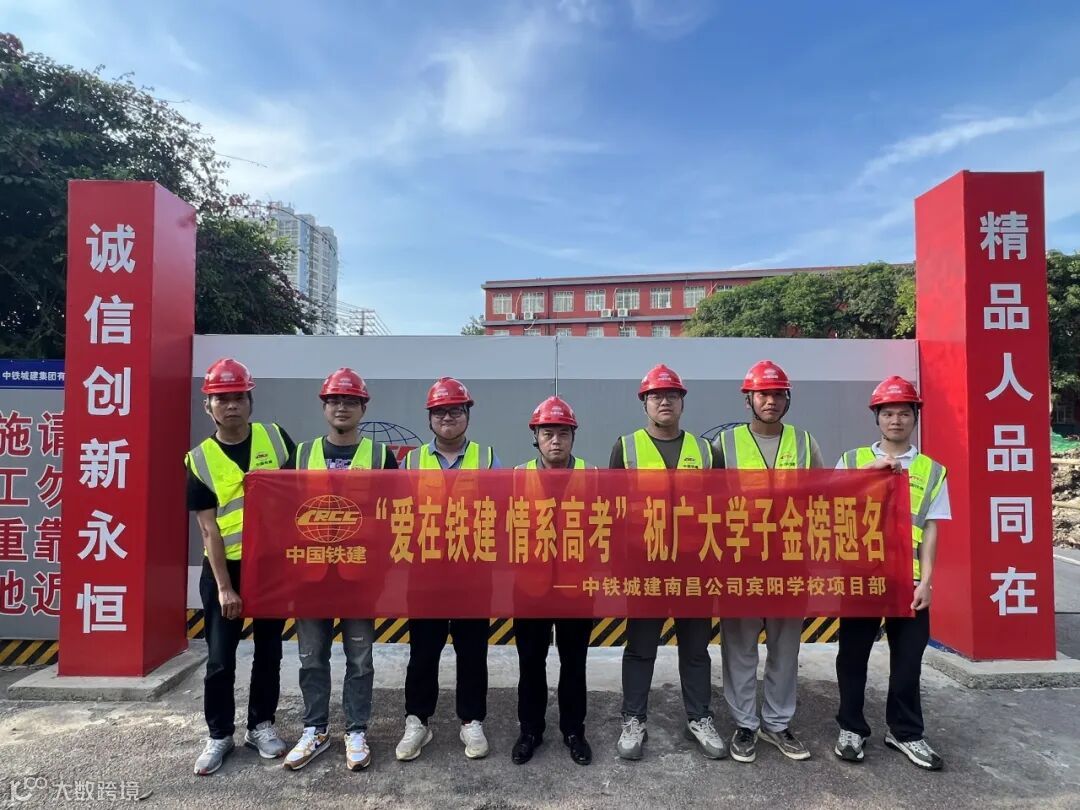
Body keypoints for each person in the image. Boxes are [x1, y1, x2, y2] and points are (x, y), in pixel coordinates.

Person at [282, 368, 398, 772]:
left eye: (350, 401)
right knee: (311, 658)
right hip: (310, 575)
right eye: (334, 400)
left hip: (359, 576)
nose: (342, 407)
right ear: (324, 407)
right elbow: (280, 511)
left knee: (360, 658)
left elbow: (394, 515)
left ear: (363, 407)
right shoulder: (300, 455)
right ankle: (314, 729)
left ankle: (356, 730)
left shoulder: (381, 457)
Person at [610, 364, 727, 761]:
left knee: (695, 649)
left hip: (695, 567)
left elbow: (721, 510)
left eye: (672, 395)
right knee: (640, 648)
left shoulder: (706, 451)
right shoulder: (626, 447)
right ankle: (633, 719)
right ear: (644, 402)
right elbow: (614, 510)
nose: (664, 401)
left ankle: (699, 717)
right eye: (656, 396)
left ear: (682, 402)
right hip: (646, 567)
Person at [834, 376, 949, 771]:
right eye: (888, 413)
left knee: (909, 660)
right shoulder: (852, 461)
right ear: (876, 418)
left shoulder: (932, 471)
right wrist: (871, 470)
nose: (896, 420)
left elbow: (930, 530)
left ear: (915, 417)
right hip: (861, 577)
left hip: (908, 582)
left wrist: (927, 582)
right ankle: (851, 728)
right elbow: (828, 502)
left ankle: (905, 732)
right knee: (852, 656)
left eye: (903, 413)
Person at [186, 358, 294, 776]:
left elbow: (298, 497)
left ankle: (261, 726)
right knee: (220, 658)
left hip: (271, 568)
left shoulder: (276, 439)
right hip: (225, 571)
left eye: (238, 397)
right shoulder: (199, 460)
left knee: (269, 652)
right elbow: (208, 529)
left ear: (250, 401)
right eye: (222, 399)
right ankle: (219, 734)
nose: (231, 405)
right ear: (208, 406)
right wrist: (225, 587)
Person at [715, 359, 823, 763]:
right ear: (749, 399)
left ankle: (777, 724)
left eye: (778, 394)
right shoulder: (724, 445)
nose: (771, 401)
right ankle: (745, 725)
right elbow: (706, 503)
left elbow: (824, 497)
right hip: (740, 562)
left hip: (790, 562)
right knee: (739, 648)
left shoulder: (805, 442)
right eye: (763, 394)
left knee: (785, 648)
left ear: (787, 399)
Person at [395, 377, 502, 761]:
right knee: (423, 652)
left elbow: (502, 511)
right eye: (440, 411)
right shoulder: (410, 462)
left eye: (456, 410)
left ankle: (471, 720)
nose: (448, 417)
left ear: (467, 415)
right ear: (429, 418)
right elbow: (397, 514)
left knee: (472, 652)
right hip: (425, 573)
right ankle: (417, 721)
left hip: (473, 572)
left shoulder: (488, 459)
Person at [511, 396, 594, 767]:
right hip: (530, 586)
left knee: (574, 663)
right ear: (536, 437)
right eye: (548, 433)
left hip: (576, 586)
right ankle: (530, 730)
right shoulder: (516, 476)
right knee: (531, 663)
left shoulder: (593, 476)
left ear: (573, 436)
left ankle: (574, 731)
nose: (555, 441)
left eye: (563, 433)